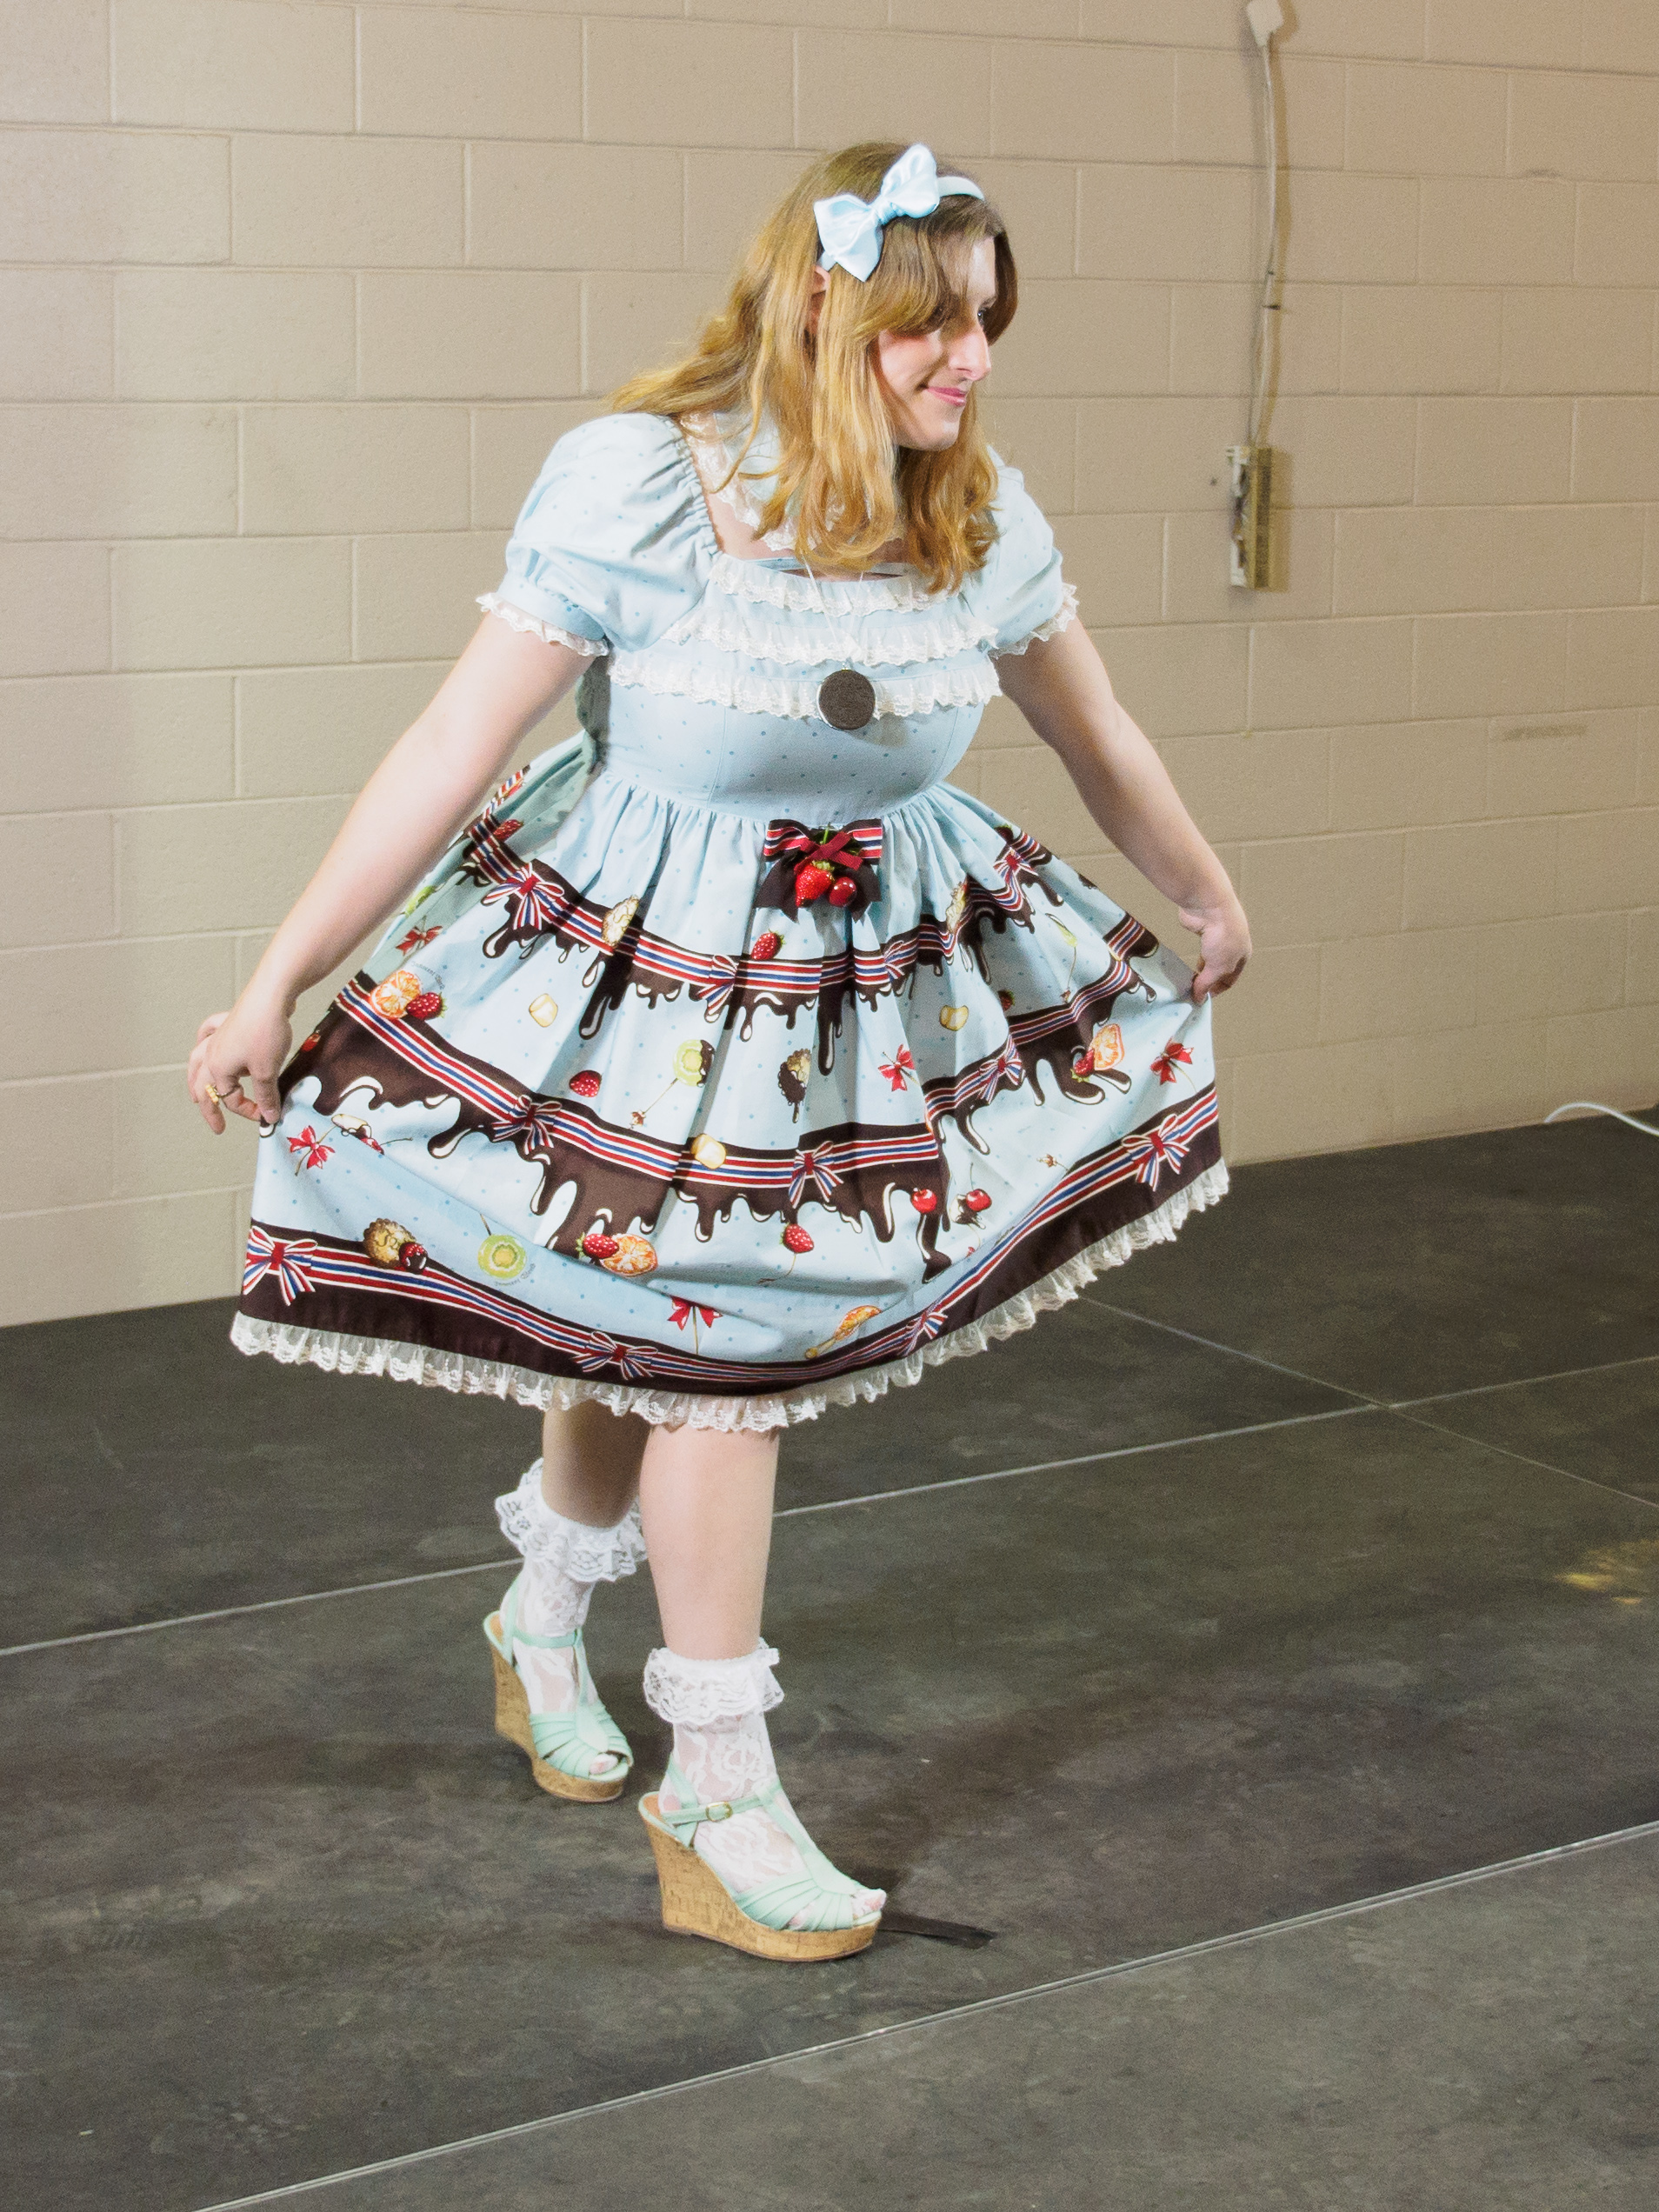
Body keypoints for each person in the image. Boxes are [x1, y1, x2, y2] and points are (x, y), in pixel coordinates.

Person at [187, 142, 1251, 1964]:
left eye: (989, 322)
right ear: (824, 308)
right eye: (932, 324)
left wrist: (1203, 886)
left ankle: (541, 1621)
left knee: (674, 1326)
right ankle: (719, 1790)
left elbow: (1099, 733)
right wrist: (279, 975)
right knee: (715, 1350)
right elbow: (449, 746)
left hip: (863, 984)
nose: (972, 359)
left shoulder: (974, 512)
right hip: (638, 976)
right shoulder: (646, 485)